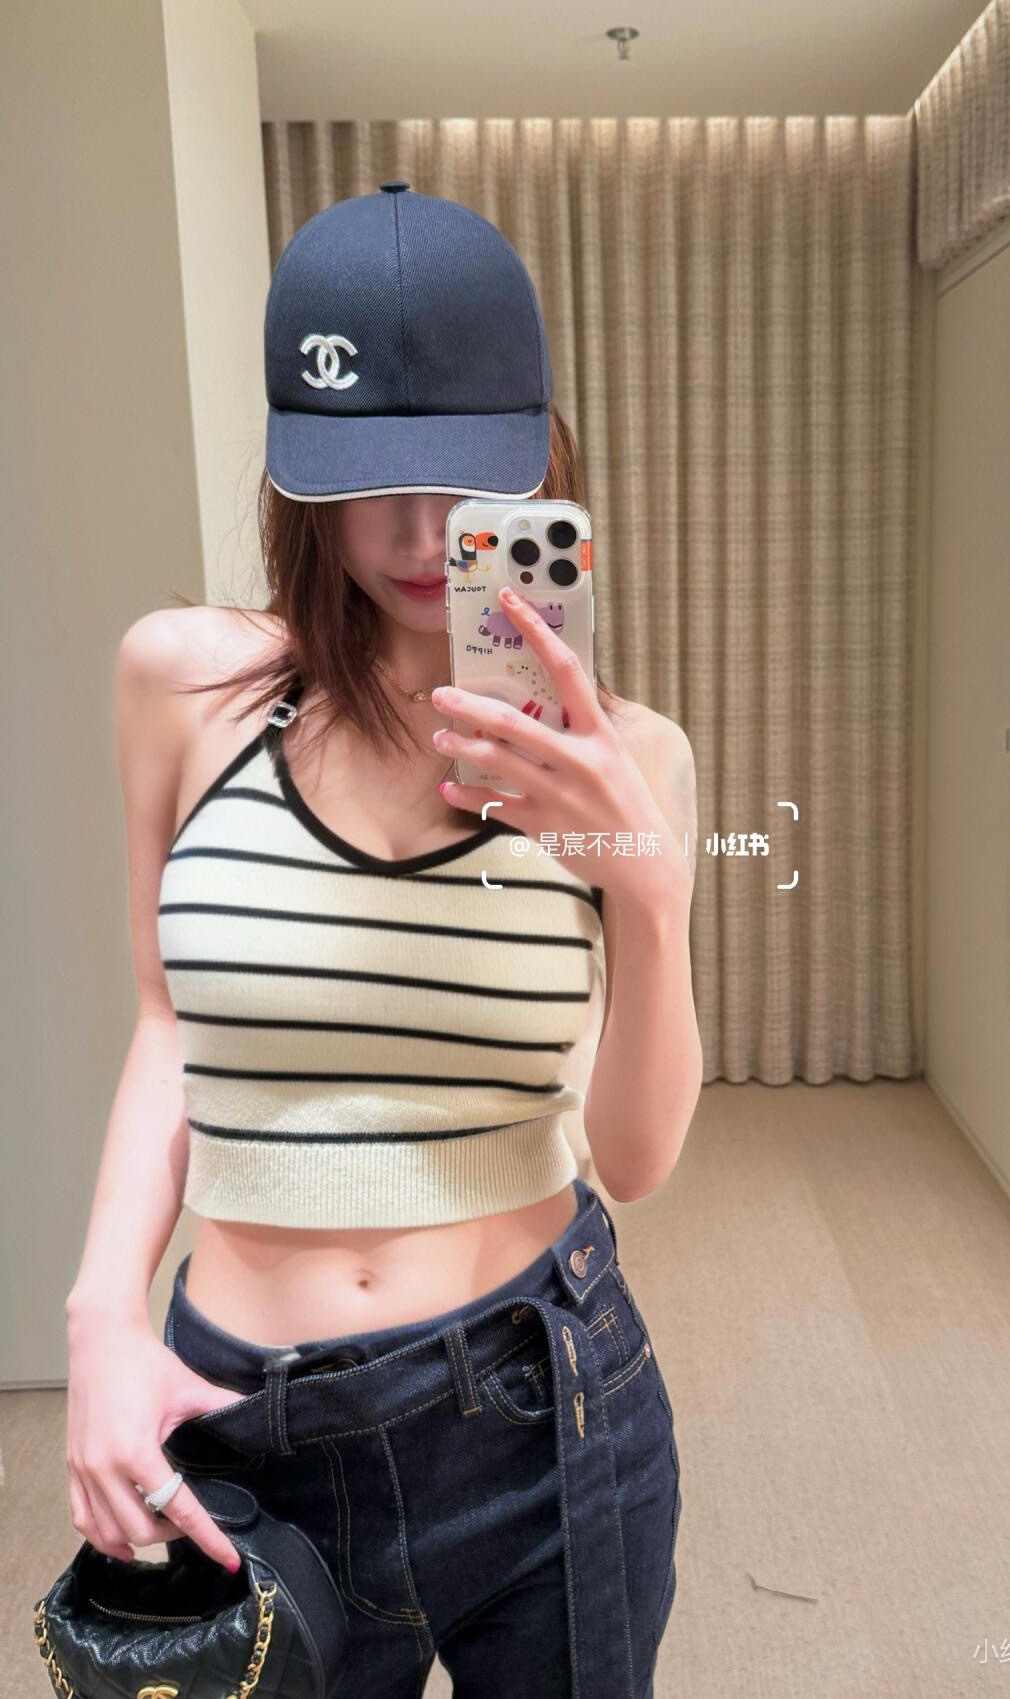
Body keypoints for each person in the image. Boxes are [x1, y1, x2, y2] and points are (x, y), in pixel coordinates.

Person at [62, 183, 702, 1697]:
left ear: (540, 459)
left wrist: (647, 888)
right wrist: (99, 1315)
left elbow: (637, 1157)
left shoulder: (632, 759)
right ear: (302, 481)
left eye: (464, 482)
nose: (421, 537)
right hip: (240, 1423)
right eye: (370, 486)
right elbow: (168, 1023)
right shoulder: (185, 688)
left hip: (547, 1407)